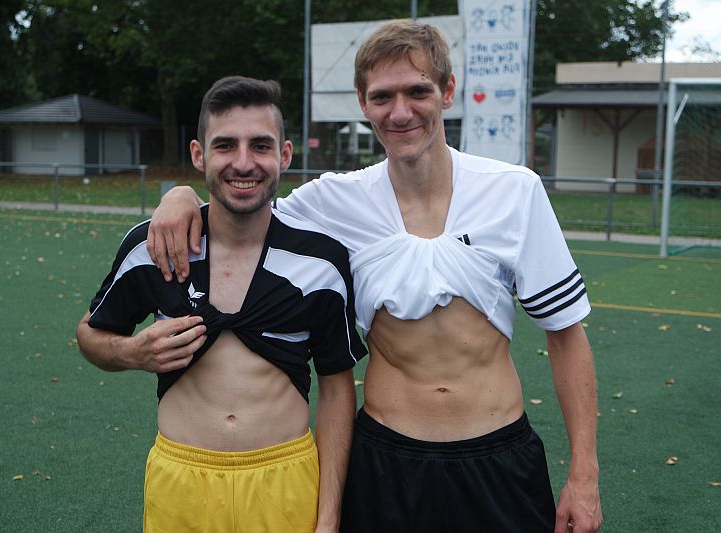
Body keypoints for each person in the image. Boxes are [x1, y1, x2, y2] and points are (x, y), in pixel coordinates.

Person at [149, 21, 602, 533]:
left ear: (447, 92)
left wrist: (584, 476)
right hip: (385, 463)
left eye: (418, 92)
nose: (400, 112)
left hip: (498, 459)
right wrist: (181, 196)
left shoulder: (514, 191)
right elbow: (243, 205)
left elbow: (566, 336)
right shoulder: (333, 201)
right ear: (363, 103)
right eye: (383, 97)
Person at [76, 76, 367, 533]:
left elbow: (336, 389)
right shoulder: (155, 246)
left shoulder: (321, 261)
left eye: (260, 146)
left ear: (284, 155)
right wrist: (132, 353)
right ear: (199, 155)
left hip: (285, 483)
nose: (243, 162)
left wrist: (329, 517)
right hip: (181, 485)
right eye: (226, 145)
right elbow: (90, 334)